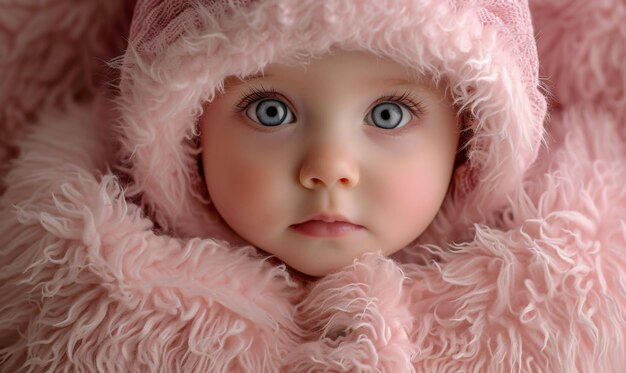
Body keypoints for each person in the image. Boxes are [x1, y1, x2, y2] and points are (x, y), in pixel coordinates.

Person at [1, 0, 624, 371]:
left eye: (389, 115)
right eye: (271, 109)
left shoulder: (563, 302)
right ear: (187, 129)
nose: (329, 168)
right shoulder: (74, 294)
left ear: (469, 138)